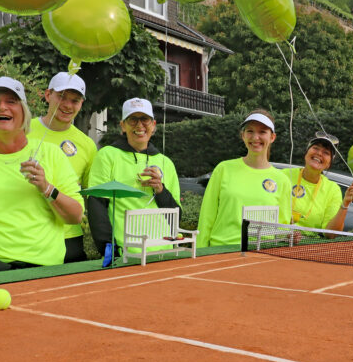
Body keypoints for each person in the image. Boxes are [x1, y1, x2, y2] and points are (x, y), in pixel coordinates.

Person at [0, 77, 83, 274]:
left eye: (11, 102)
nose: (2, 107)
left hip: (41, 268)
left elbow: (75, 216)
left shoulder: (51, 153)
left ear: (24, 112)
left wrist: (46, 188)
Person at [85, 98, 180, 256]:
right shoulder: (107, 155)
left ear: (153, 125)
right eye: (132, 119)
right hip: (125, 253)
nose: (139, 125)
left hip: (164, 252)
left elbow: (176, 214)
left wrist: (161, 190)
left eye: (144, 119)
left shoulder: (166, 162)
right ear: (123, 125)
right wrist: (109, 250)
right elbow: (97, 205)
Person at [197, 109, 291, 247]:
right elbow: (206, 217)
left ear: (272, 137)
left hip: (261, 254)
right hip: (221, 251)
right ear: (243, 135)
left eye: (262, 132)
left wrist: (289, 235)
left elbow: (282, 228)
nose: (255, 137)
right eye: (250, 131)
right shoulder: (223, 169)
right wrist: (200, 252)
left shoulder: (282, 180)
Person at [30, 72, 96, 263]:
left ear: (81, 104)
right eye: (62, 97)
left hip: (69, 237)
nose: (67, 105)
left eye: (75, 100)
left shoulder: (87, 145)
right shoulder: (23, 131)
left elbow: (89, 194)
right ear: (48, 95)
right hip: (29, 234)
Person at [280, 132, 353, 232]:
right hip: (275, 240)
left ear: (329, 164)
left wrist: (345, 204)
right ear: (306, 153)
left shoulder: (333, 189)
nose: (319, 153)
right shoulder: (282, 176)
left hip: (309, 245)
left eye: (326, 152)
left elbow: (331, 234)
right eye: (316, 148)